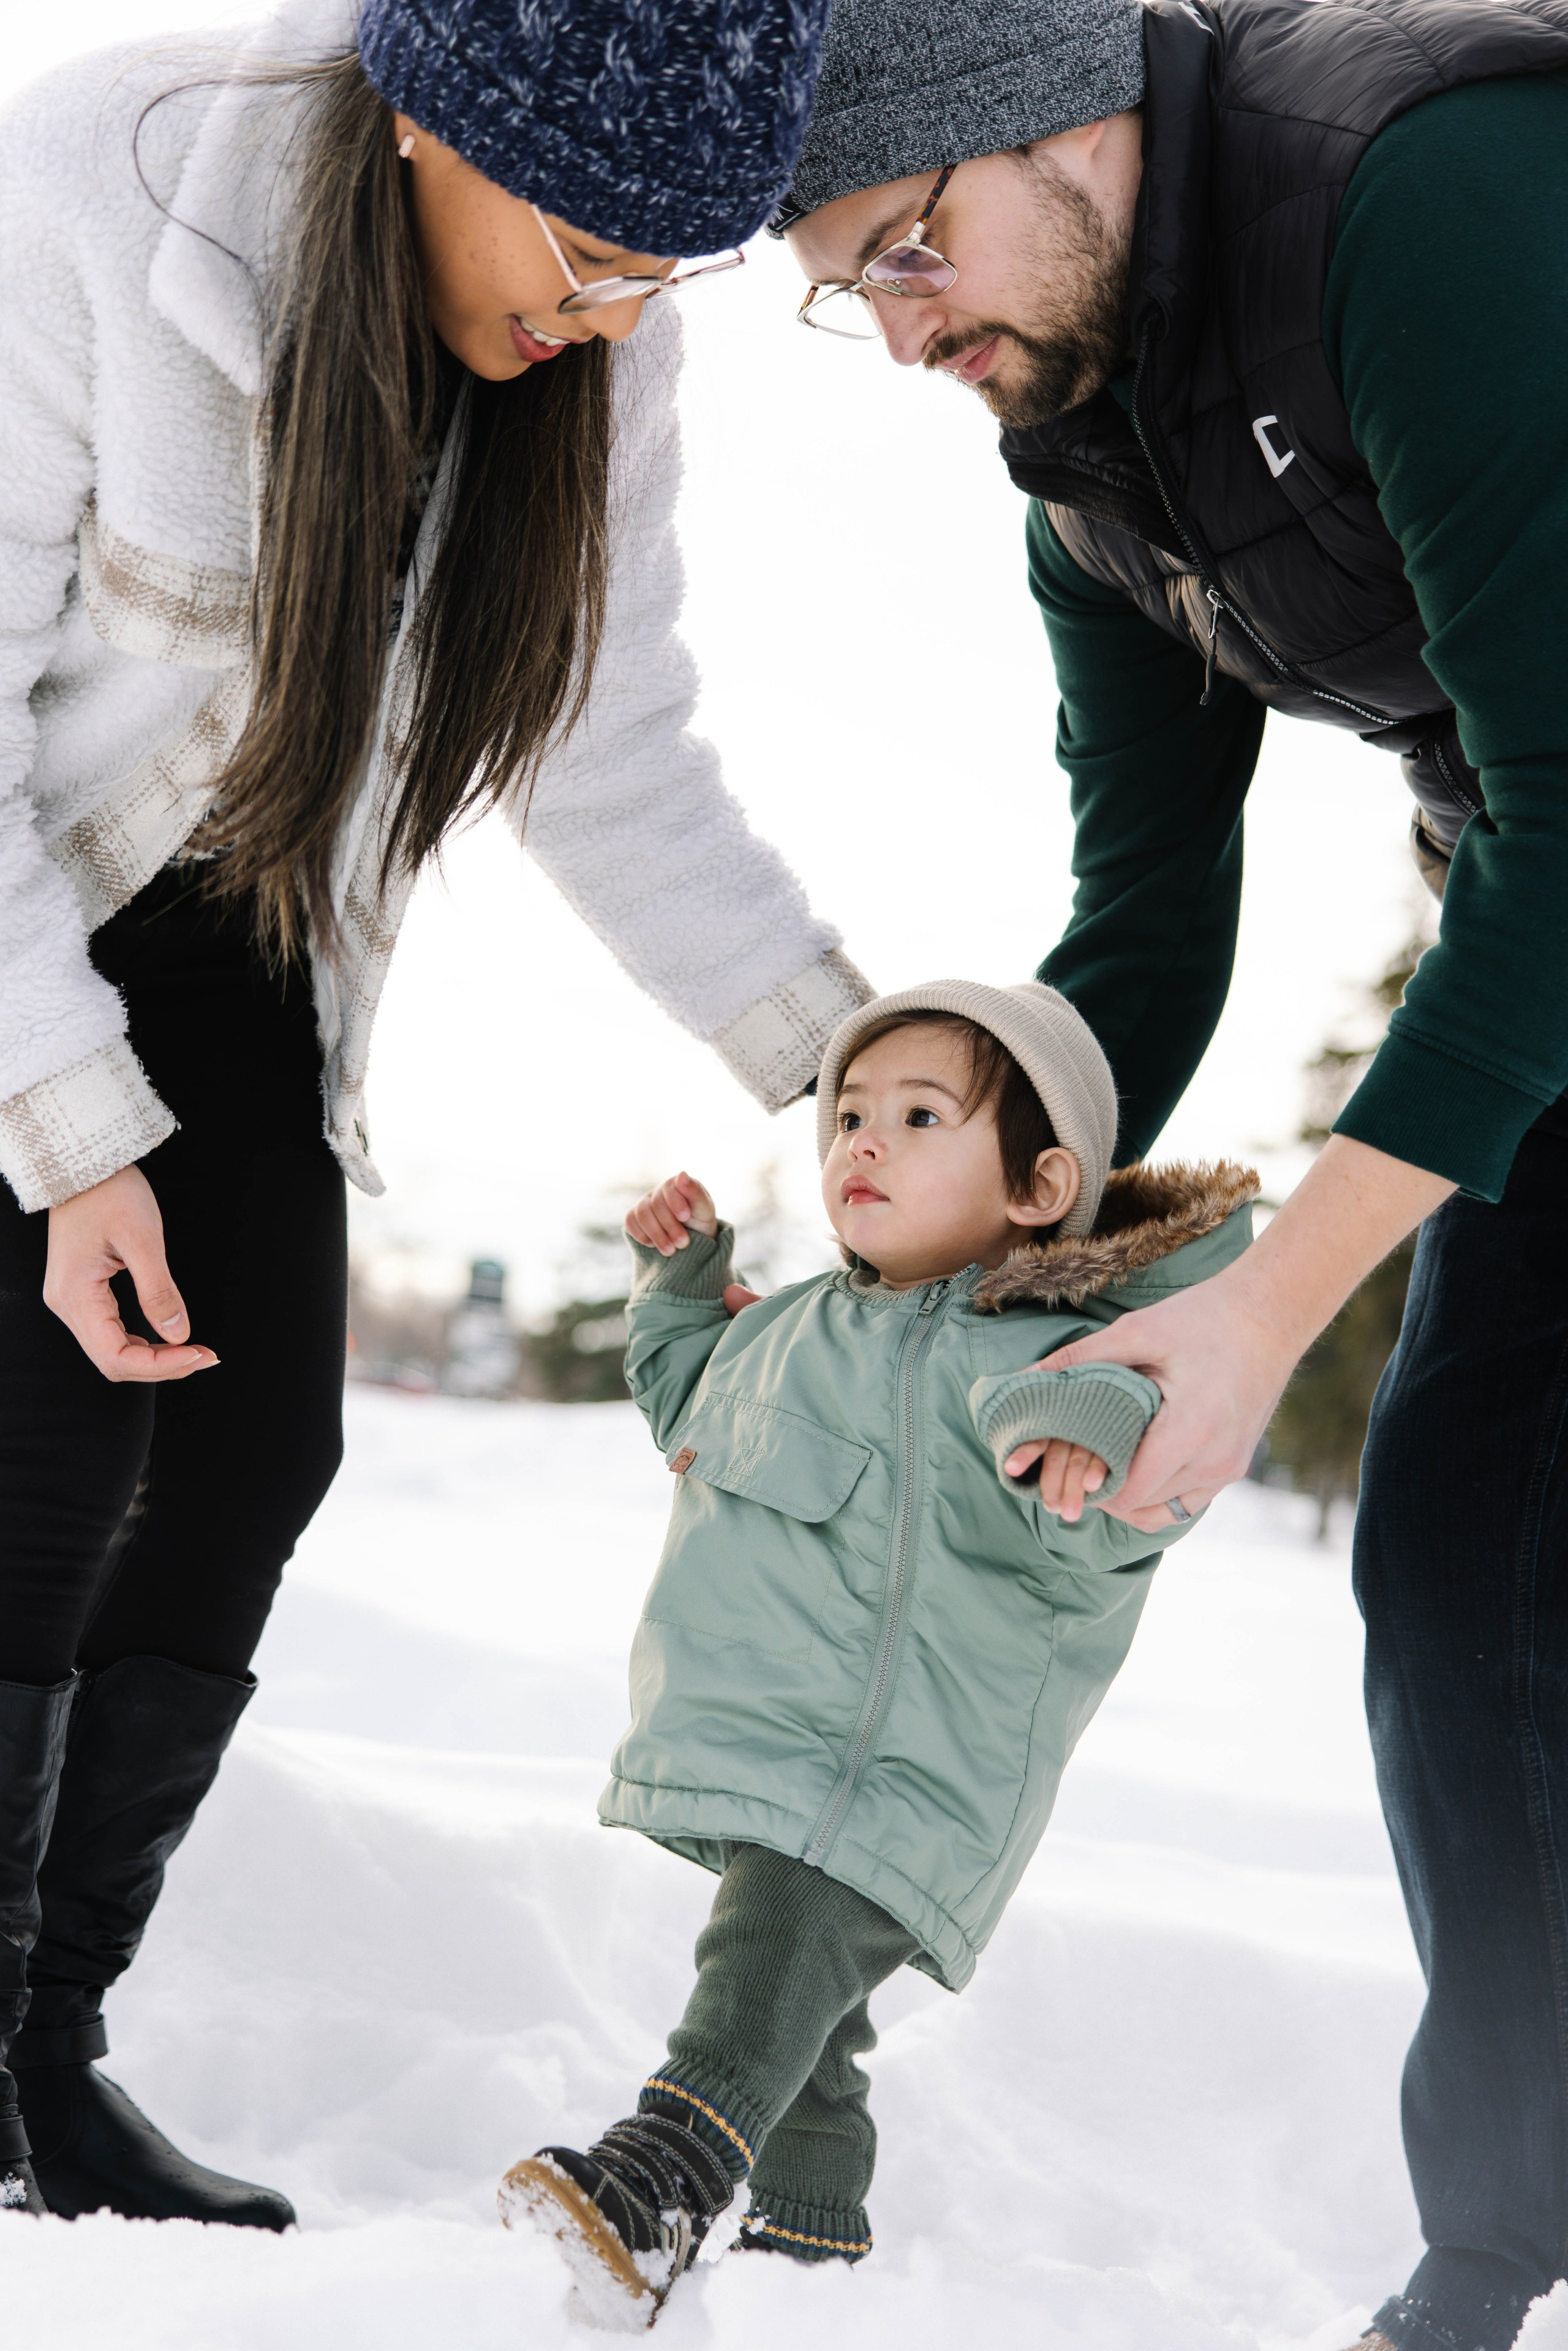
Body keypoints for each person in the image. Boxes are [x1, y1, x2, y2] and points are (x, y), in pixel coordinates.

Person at [0, 0, 875, 2228]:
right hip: (26, 911)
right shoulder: (103, 186)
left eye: (661, 276)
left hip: (241, 941)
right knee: (50, 1442)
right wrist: (73, 1136)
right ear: (425, 117)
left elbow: (609, 743)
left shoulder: (593, 351)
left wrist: (852, 1062)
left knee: (254, 1448)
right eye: (584, 250)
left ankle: (40, 2048)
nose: (609, 315)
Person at [772, 2, 1568, 2345]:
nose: (903, 335)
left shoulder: (1422, 202)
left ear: (1063, 116)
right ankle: (1497, 2248)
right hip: (1540, 933)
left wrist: (1265, 1303)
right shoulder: (1086, 457)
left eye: (908, 250)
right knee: (1464, 1565)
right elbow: (1142, 927)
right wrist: (961, 1239)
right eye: (852, 294)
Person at [499, 978, 1257, 2320]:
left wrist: (1090, 1429)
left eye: (918, 1117)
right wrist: (679, 1289)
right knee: (811, 2025)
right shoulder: (793, 1325)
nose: (863, 1140)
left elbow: (1142, 1471)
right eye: (849, 1114)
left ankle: (662, 2175)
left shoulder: (1064, 1351)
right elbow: (689, 1400)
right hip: (787, 1744)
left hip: (907, 1764)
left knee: (771, 1948)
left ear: (1037, 1187)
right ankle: (809, 2257)